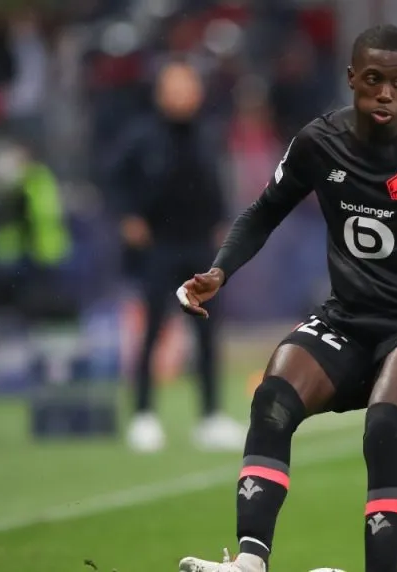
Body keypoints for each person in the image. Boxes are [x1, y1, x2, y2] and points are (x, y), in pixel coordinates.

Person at [176, 25, 397, 572]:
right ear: (352, 78)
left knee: (384, 428)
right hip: (347, 319)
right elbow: (263, 211)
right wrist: (221, 270)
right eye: (373, 80)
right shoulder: (319, 143)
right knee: (273, 397)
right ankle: (250, 562)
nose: (385, 94)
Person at [102, 59, 245, 452]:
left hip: (200, 245)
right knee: (151, 331)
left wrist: (222, 220)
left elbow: (219, 181)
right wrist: (129, 216)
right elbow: (113, 179)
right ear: (161, 93)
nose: (182, 94)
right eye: (174, 87)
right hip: (158, 246)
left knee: (207, 332)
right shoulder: (141, 136)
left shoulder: (208, 134)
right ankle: (144, 416)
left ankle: (211, 416)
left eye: (188, 86)